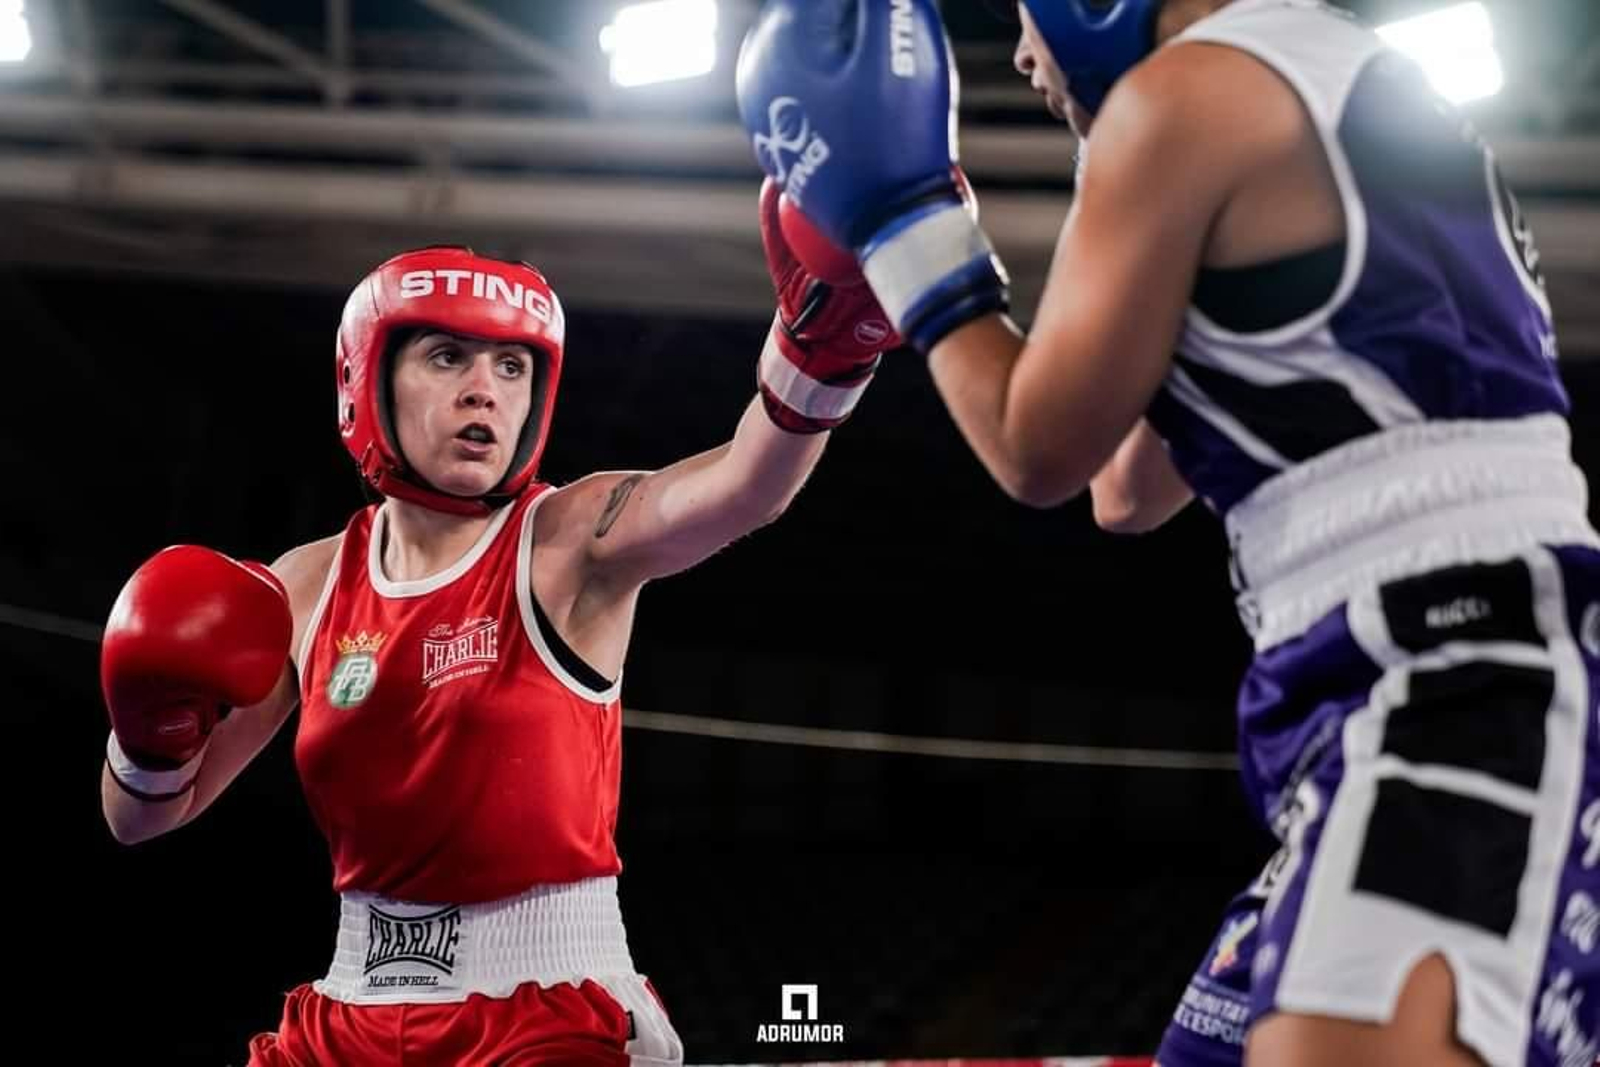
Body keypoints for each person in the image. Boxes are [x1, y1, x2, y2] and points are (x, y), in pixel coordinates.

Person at [736, 1, 1600, 1065]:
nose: (1018, 54)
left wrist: (898, 222)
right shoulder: (1351, 81)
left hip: (1457, 677)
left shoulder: (1184, 99)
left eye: (1022, 16)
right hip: (1433, 667)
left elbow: (1033, 448)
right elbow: (1124, 487)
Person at [98, 181, 899, 1065]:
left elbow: (747, 485)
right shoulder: (306, 584)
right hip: (349, 1008)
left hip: (545, 1006)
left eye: (512, 367)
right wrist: (150, 730)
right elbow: (140, 821)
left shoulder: (568, 541)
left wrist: (821, 356)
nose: (486, 390)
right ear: (368, 379)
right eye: (448, 358)